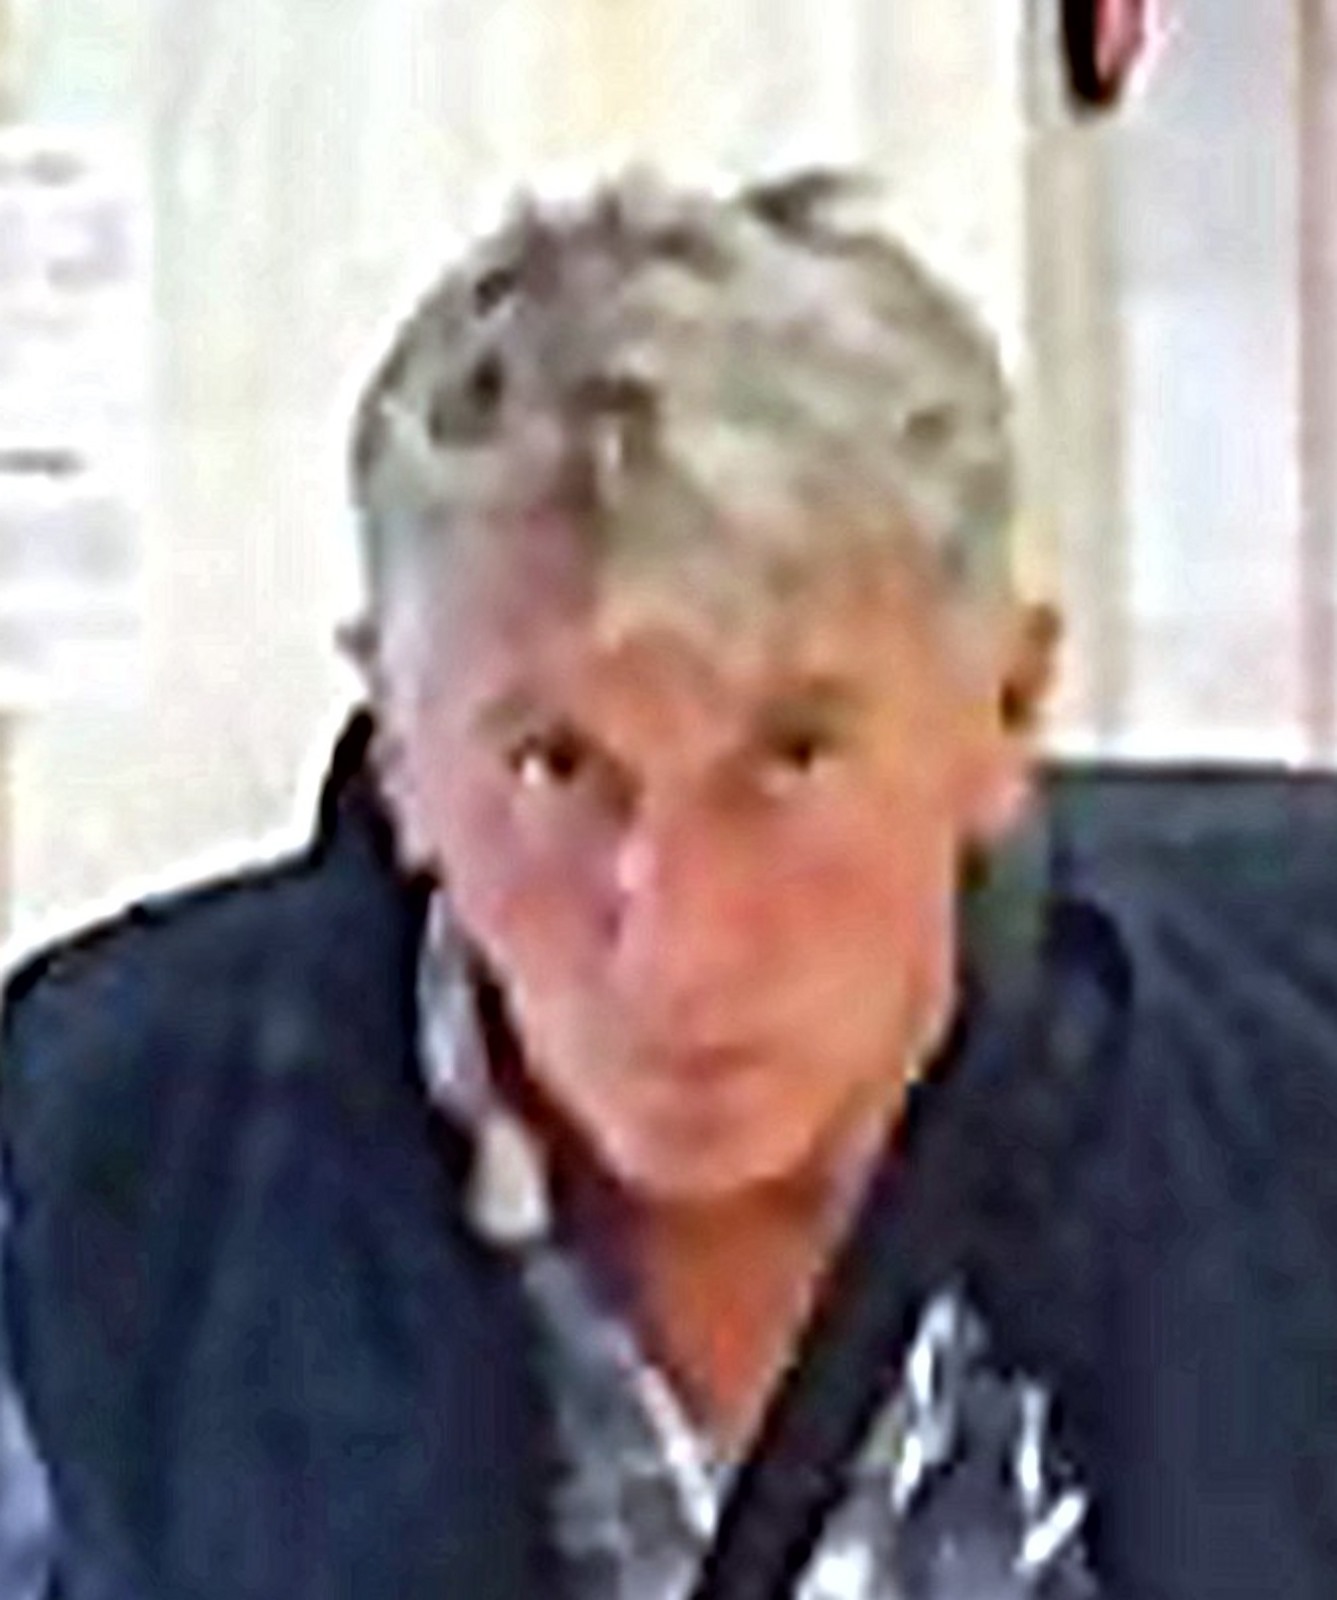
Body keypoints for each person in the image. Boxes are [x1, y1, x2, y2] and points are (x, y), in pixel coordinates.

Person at [2, 168, 1335, 1600]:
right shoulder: (103, 1166)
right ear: (395, 750)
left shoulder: (1293, 1098)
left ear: (1006, 707)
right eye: (555, 765)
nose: (677, 945)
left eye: (793, 756)